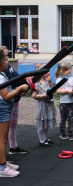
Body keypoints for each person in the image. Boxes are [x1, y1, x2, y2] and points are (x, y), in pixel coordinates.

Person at [0, 48, 29, 177]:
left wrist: (19, 89)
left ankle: (3, 163)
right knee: (2, 139)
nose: (7, 62)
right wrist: (19, 90)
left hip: (4, 108)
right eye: (5, 59)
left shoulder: (2, 75)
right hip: (3, 109)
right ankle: (2, 168)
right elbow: (6, 96)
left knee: (3, 139)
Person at [32, 63, 56, 147]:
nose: (49, 72)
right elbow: (34, 95)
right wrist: (42, 96)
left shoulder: (47, 81)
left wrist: (50, 83)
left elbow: (52, 90)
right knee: (41, 122)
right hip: (42, 105)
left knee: (46, 122)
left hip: (49, 104)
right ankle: (41, 140)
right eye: (47, 71)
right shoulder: (37, 83)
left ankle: (45, 138)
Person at [55, 62, 73, 141]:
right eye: (66, 70)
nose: (69, 71)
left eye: (69, 69)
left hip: (72, 102)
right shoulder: (59, 80)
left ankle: (70, 133)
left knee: (71, 118)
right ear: (61, 71)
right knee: (63, 118)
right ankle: (62, 133)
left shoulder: (72, 79)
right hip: (64, 103)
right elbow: (58, 91)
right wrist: (67, 91)